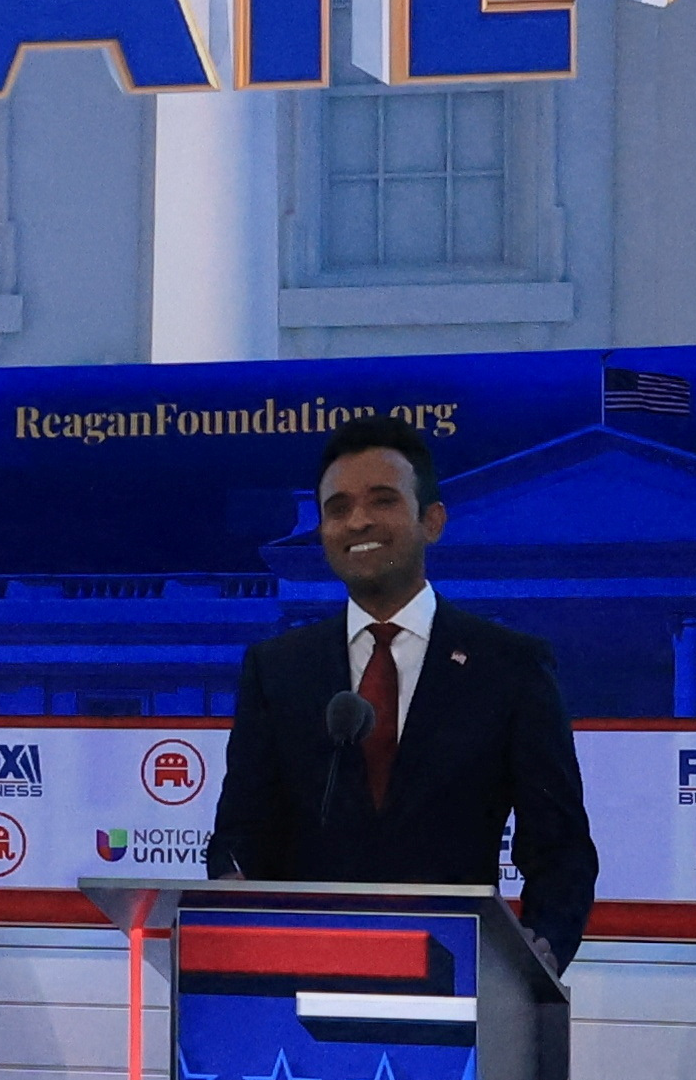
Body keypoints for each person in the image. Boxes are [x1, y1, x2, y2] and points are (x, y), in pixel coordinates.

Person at [204, 415, 597, 973]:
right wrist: (232, 883)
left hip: (459, 980)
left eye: (382, 500)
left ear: (431, 521)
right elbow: (239, 830)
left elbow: (561, 850)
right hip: (301, 977)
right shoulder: (278, 669)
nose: (357, 520)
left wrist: (540, 952)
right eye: (337, 508)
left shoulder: (509, 666)